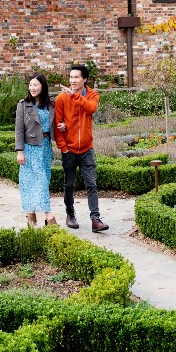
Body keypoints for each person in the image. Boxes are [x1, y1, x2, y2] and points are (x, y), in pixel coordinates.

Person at [54, 64, 108, 232]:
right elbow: (57, 125)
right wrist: (63, 148)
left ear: (85, 79)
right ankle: (70, 215)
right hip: (69, 149)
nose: (73, 80)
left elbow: (91, 108)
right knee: (69, 185)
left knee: (91, 184)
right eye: (71, 77)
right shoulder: (61, 99)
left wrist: (76, 97)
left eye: (76, 77)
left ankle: (95, 219)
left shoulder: (92, 95)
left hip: (87, 148)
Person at [15, 74, 58, 228]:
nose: (32, 88)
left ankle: (31, 213)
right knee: (32, 182)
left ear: (42, 86)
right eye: (30, 85)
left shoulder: (51, 103)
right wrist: (20, 151)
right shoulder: (23, 104)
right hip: (30, 147)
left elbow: (57, 121)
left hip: (46, 147)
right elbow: (19, 129)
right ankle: (48, 215)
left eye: (35, 85)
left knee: (43, 180)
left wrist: (62, 128)